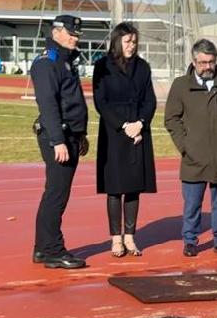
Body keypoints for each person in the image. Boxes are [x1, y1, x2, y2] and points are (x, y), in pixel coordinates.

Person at [164, 39, 217, 257]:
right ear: (194, 61)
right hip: (193, 156)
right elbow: (171, 119)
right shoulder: (181, 85)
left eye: (211, 62)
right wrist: (185, 145)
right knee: (192, 204)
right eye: (202, 63)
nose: (207, 67)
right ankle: (190, 240)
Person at [31, 14, 90, 269]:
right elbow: (49, 106)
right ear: (56, 32)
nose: (75, 38)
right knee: (56, 194)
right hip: (58, 136)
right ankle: (53, 250)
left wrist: (81, 134)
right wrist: (58, 141)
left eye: (77, 35)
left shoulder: (65, 61)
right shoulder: (47, 63)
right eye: (71, 33)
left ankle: (43, 248)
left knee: (56, 194)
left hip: (70, 135)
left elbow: (71, 101)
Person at [93, 22, 157, 257]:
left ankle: (130, 237)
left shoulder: (143, 67)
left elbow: (150, 100)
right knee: (114, 188)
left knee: (133, 188)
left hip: (138, 133)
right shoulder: (102, 66)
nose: (132, 45)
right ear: (118, 41)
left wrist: (140, 123)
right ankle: (115, 239)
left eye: (134, 41)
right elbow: (101, 102)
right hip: (114, 133)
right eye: (128, 41)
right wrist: (123, 125)